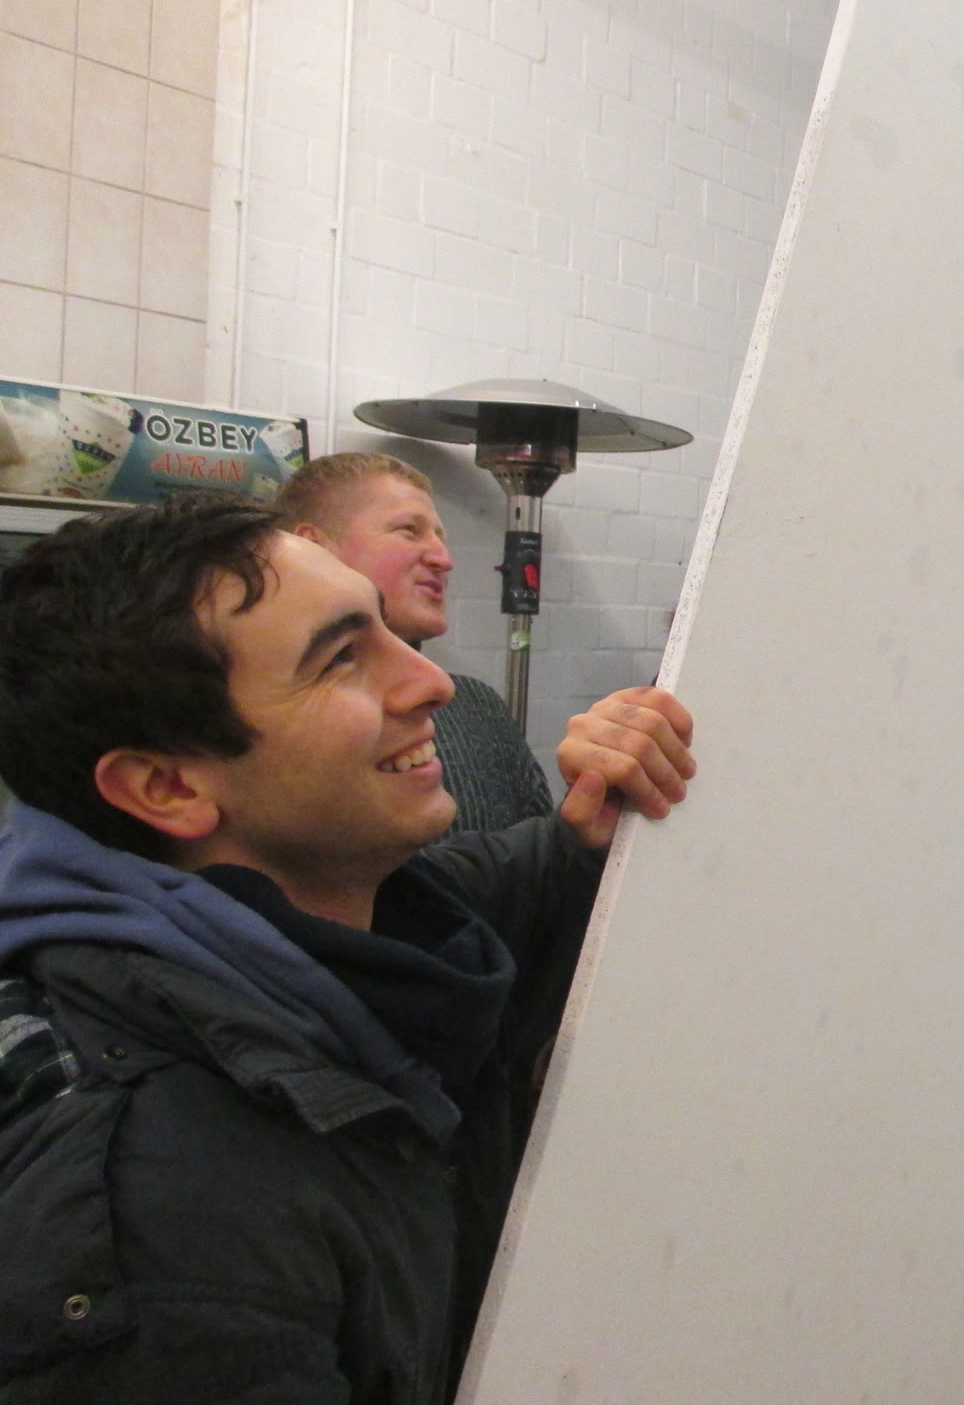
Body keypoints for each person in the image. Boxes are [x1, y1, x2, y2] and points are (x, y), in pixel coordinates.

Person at [0, 495, 696, 1403]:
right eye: (339, 659)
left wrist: (616, 784)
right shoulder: (170, 1226)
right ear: (167, 787)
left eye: (385, 633)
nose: (432, 683)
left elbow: (534, 879)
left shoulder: (355, 921)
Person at [273, 452, 551, 835]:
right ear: (313, 547)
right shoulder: (274, 721)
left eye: (440, 537)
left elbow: (545, 858)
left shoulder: (477, 708)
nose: (444, 559)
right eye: (408, 530)